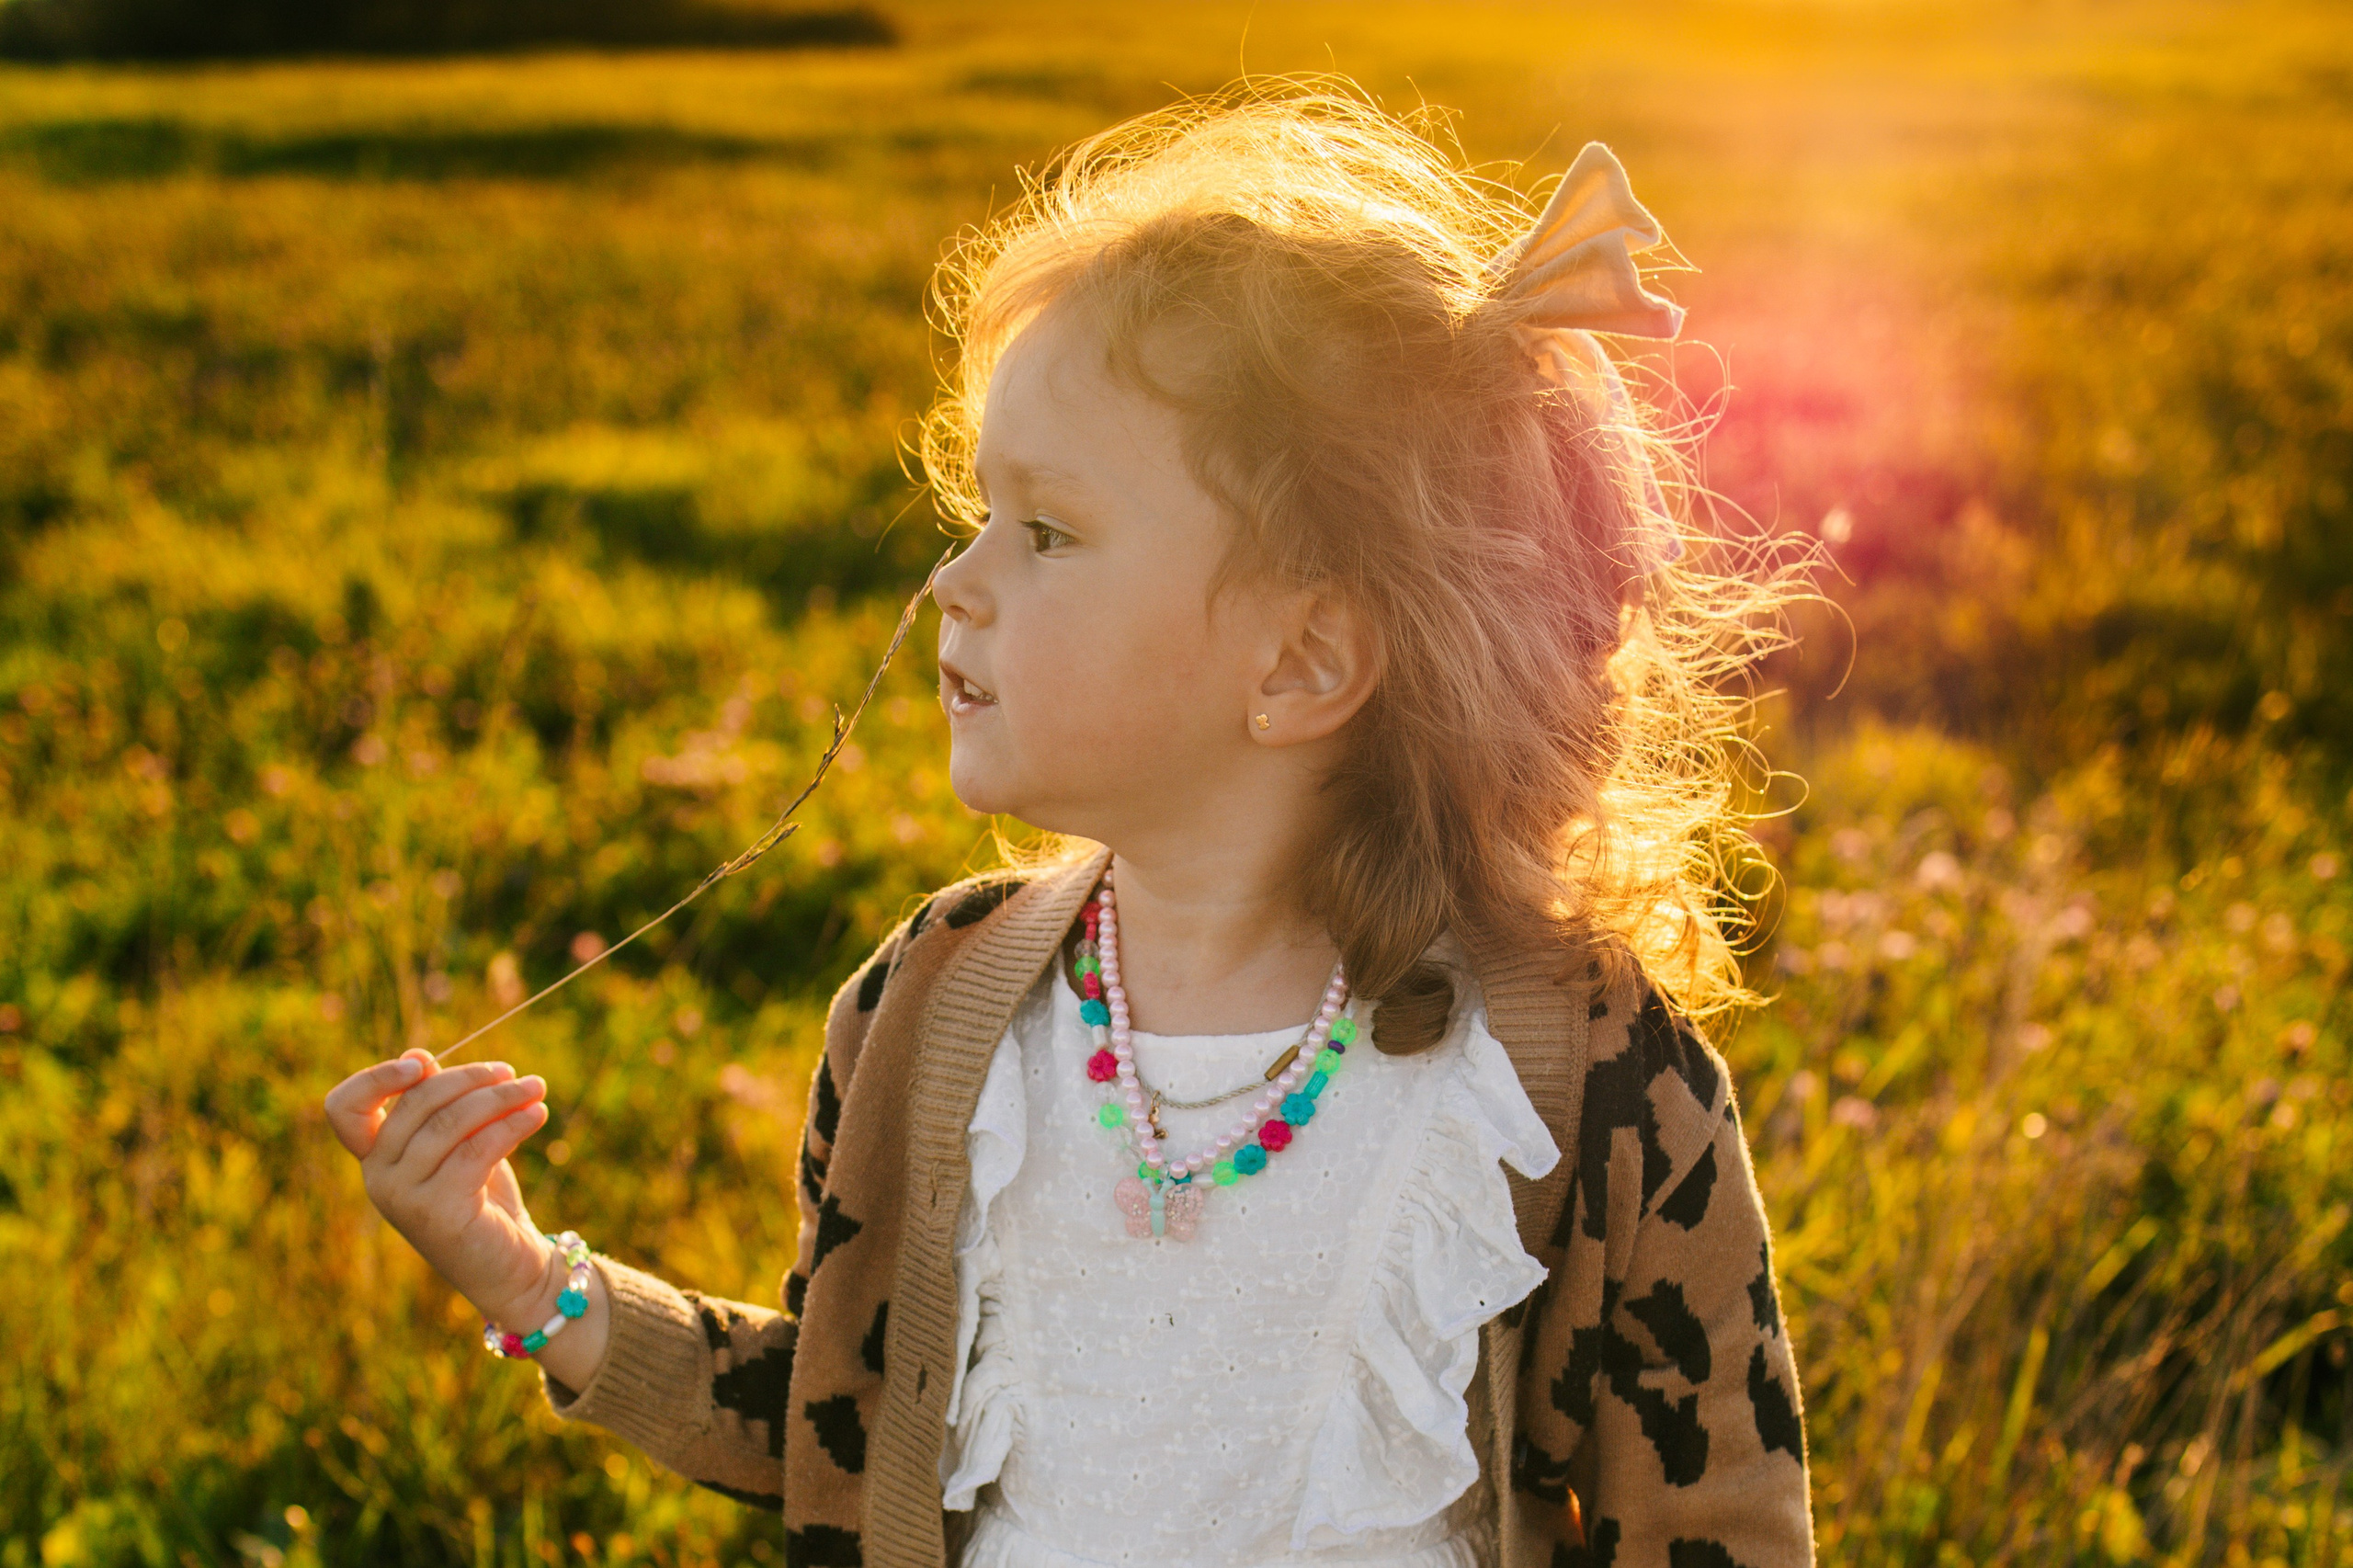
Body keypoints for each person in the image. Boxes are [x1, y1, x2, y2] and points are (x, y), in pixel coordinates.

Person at [325, 80, 1815, 1568]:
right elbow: (847, 1419)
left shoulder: (1577, 1073)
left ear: (1301, 662)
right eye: (978, 515)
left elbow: (1717, 1525)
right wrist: (531, 1282)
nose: (952, 583)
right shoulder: (931, 1011)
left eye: (1046, 531)